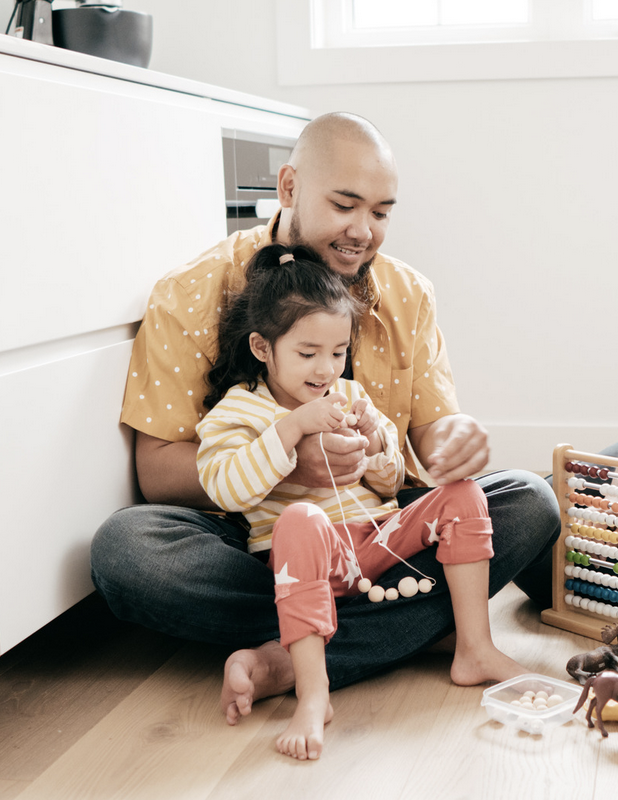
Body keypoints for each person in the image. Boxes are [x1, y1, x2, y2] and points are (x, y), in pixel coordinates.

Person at [89, 113, 558, 723]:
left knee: (530, 500)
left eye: (382, 212)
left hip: (379, 536)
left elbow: (426, 436)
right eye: (344, 205)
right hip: (254, 536)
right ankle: (407, 630)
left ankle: (293, 658)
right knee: (126, 554)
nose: (362, 231)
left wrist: (455, 440)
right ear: (288, 188)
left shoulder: (408, 292)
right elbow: (155, 472)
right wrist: (288, 465)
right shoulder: (191, 291)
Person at [197, 242, 524, 760]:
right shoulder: (236, 412)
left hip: (378, 546)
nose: (326, 369)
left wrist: (376, 446)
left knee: (464, 491)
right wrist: (291, 429)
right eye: (307, 354)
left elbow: (392, 485)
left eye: (338, 352)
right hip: (304, 564)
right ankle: (313, 691)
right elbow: (224, 487)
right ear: (263, 348)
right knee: (300, 517)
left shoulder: (349, 396)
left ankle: (474, 648)